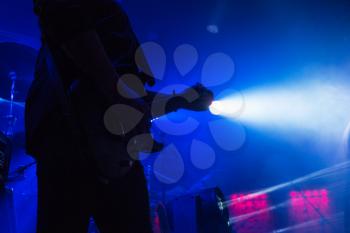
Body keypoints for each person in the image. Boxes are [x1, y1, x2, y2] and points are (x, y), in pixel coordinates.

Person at [25, 0, 213, 233]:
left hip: (112, 154)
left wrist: (179, 101)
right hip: (69, 143)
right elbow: (67, 21)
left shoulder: (112, 14)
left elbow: (129, 103)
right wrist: (120, 98)